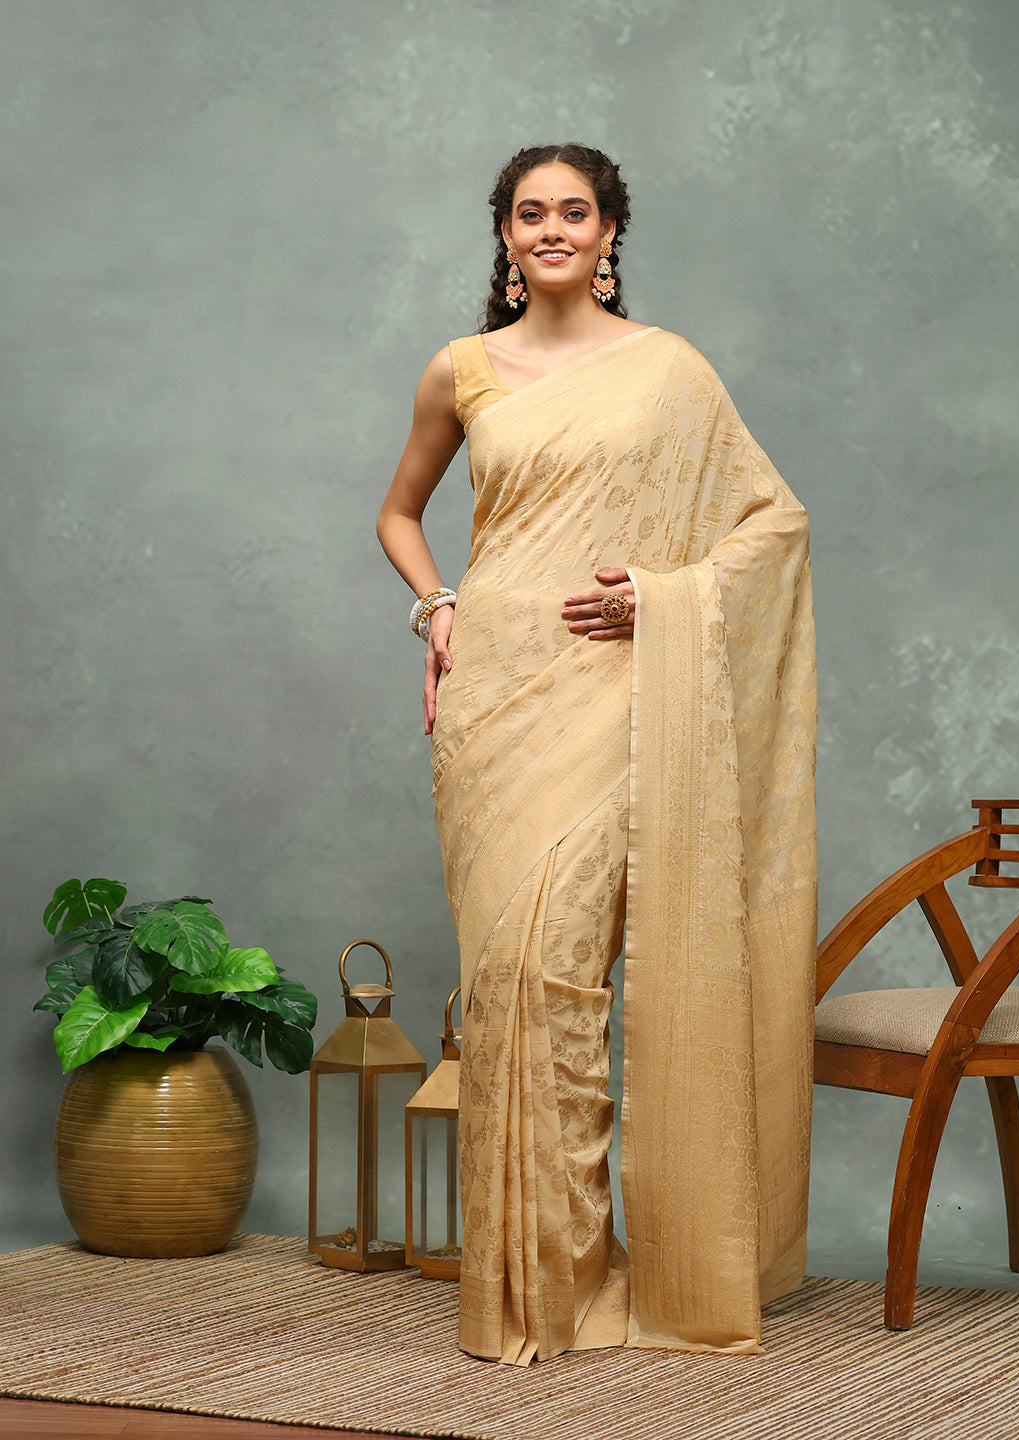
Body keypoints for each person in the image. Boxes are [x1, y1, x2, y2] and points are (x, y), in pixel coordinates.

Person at [377, 143, 817, 1366]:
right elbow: (399, 511)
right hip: (496, 700)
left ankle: (581, 1280)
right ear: (506, 235)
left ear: (610, 231)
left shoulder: (669, 369)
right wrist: (436, 607)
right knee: (510, 983)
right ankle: (535, 1284)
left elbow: (773, 522)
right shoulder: (463, 370)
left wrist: (664, 597)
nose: (553, 229)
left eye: (575, 211)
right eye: (532, 213)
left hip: (620, 696)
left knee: (566, 974)